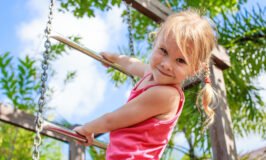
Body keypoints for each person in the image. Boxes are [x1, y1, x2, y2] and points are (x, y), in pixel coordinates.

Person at [74, 9, 217, 160]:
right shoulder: (151, 74)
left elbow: (113, 120)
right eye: (163, 51)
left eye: (180, 61)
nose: (166, 64)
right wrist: (115, 58)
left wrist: (87, 129)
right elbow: (132, 64)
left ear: (194, 69)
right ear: (155, 42)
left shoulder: (166, 95)